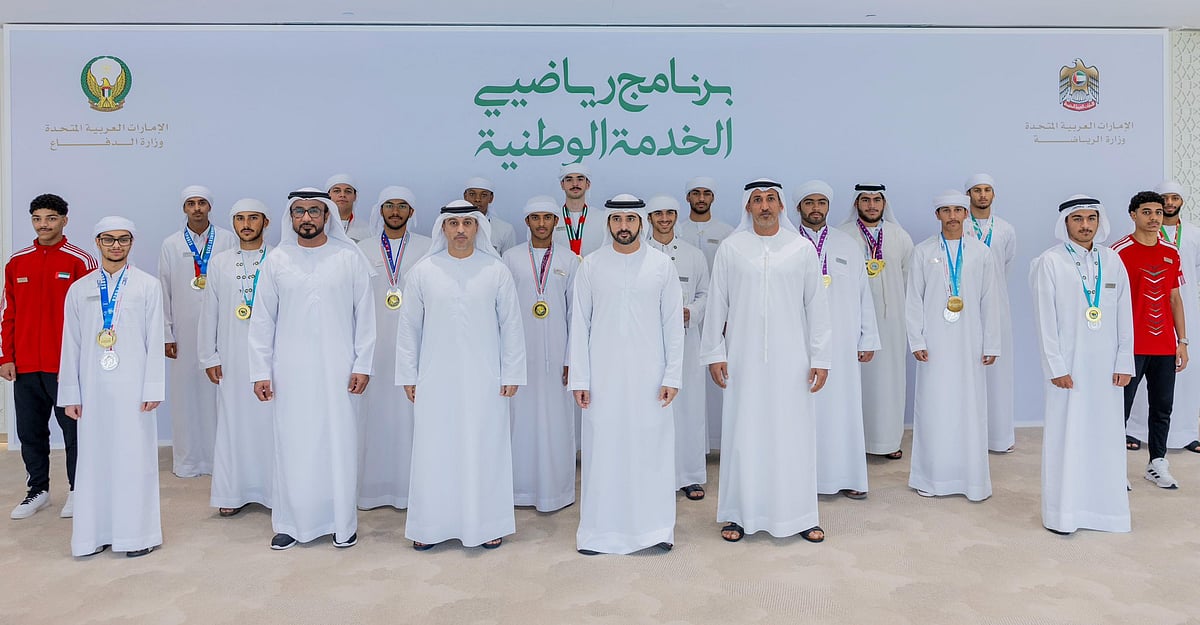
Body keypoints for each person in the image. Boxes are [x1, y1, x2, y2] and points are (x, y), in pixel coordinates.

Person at [701, 179, 832, 544]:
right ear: (747, 207)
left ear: (781, 206)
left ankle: (802, 515)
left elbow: (817, 309)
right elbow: (717, 304)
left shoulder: (801, 249)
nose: (764, 206)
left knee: (793, 436)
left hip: (793, 362)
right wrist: (715, 352)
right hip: (743, 361)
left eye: (771, 199)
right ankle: (738, 514)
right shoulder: (732, 249)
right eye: (757, 200)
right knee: (745, 435)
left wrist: (820, 356)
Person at [248, 188, 376, 550]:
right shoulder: (276, 260)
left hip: (339, 369)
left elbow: (364, 316)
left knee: (339, 443)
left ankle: (342, 523)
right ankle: (291, 522)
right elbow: (262, 321)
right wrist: (260, 371)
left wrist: (362, 364)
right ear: (291, 217)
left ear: (327, 216)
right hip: (289, 371)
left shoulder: (348, 257)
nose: (306, 218)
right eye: (300, 212)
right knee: (292, 444)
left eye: (314, 212)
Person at [397, 200, 526, 551]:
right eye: (453, 224)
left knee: (485, 447)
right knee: (433, 449)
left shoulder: (495, 270)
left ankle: (487, 525)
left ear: (477, 229)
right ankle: (429, 526)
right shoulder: (423, 271)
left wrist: (511, 372)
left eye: (467, 224)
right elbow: (408, 328)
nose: (460, 231)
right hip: (434, 379)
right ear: (442, 229)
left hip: (486, 380)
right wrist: (408, 375)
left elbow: (512, 326)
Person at [570, 194, 684, 555]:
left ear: (641, 223)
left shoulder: (661, 265)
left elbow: (673, 327)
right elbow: (579, 326)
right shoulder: (590, 265)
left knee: (651, 451)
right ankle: (598, 534)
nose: (624, 227)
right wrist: (581, 380)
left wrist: (673, 376)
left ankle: (655, 530)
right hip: (602, 381)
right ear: (609, 224)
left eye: (630, 220)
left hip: (650, 380)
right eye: (617, 220)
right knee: (603, 452)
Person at [59, 216, 165, 557]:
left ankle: (137, 536)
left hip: (134, 391)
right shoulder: (79, 289)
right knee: (94, 460)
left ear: (132, 243)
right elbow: (70, 346)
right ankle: (94, 534)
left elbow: (154, 341)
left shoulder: (148, 286)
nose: (115, 245)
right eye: (108, 239)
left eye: (122, 239)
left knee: (134, 459)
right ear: (97, 242)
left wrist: (152, 388)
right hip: (92, 392)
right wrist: (70, 394)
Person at [1030, 195, 1133, 534]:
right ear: (1065, 224)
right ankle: (1065, 515)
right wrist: (1055, 366)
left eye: (1091, 218)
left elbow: (1124, 316)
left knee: (1105, 437)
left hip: (1107, 370)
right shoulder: (1050, 262)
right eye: (1078, 219)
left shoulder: (1113, 260)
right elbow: (1045, 320)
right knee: (1067, 436)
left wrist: (1124, 360)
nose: (1086, 225)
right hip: (1069, 369)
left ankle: (1107, 513)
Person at [2, 194, 96, 519]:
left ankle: (77, 489)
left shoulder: (80, 261)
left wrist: (84, 362)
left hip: (65, 366)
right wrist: (6, 357)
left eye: (51, 218)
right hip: (26, 365)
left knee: (73, 432)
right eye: (38, 218)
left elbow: (93, 315)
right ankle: (38, 490)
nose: (44, 225)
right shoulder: (17, 262)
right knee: (30, 431)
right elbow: (8, 312)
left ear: (64, 220)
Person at [906, 191, 1001, 501]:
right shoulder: (922, 252)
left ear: (965, 213)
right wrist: (916, 339)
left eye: (958, 210)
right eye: (945, 210)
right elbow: (913, 301)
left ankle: (971, 480)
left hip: (971, 342)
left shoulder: (980, 253)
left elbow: (990, 300)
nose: (952, 216)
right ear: (937, 215)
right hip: (934, 343)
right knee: (934, 407)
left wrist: (991, 342)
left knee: (970, 407)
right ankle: (932, 478)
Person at [793, 181, 878, 500]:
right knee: (801, 409)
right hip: (798, 343)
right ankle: (801, 479)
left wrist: (867, 337)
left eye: (822, 202)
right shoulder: (788, 244)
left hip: (842, 343)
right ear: (798, 207)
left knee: (843, 408)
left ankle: (847, 475)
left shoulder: (847, 244)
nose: (816, 208)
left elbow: (863, 294)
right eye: (809, 202)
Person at [355, 186, 432, 511]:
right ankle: (373, 491)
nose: (396, 211)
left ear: (412, 213)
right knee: (374, 418)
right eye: (389, 205)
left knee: (413, 420)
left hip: (418, 346)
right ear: (380, 210)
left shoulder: (429, 248)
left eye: (402, 206)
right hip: (375, 348)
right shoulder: (362, 249)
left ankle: (412, 491)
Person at [197, 199, 275, 517]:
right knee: (233, 422)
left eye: (253, 218)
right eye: (240, 218)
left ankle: (274, 491)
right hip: (230, 354)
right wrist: (209, 355)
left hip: (271, 356)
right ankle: (233, 492)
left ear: (265, 223)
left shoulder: (280, 259)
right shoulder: (220, 263)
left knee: (271, 422)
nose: (246, 224)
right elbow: (209, 311)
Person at [501, 195, 580, 512]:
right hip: (520, 357)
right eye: (536, 218)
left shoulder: (570, 260)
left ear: (556, 222)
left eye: (548, 218)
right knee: (519, 422)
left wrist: (572, 358)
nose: (542, 223)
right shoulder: (510, 258)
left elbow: (577, 313)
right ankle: (520, 489)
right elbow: (502, 313)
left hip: (557, 357)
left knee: (557, 422)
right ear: (527, 222)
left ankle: (556, 491)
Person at [1112, 190, 1189, 489]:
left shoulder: (1172, 252)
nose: (1154, 217)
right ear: (1133, 215)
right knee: (1121, 409)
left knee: (1162, 407)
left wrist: (1182, 341)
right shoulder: (1118, 252)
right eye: (1147, 212)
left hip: (1164, 347)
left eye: (1158, 212)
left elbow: (1174, 298)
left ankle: (1157, 462)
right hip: (1129, 347)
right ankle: (1113, 466)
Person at [158, 185, 236, 478]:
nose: (197, 208)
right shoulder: (171, 244)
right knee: (185, 397)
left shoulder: (228, 239)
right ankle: (188, 460)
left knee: (219, 393)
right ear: (184, 208)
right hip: (184, 332)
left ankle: (220, 460)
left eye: (202, 202)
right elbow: (163, 289)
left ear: (209, 207)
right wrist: (167, 333)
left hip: (222, 329)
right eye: (191, 203)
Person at [837, 183, 914, 460]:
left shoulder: (899, 236)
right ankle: (854, 441)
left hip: (892, 321)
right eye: (866, 200)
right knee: (855, 383)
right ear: (857, 203)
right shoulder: (842, 236)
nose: (871, 205)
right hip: (851, 321)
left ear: (884, 204)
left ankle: (888, 441)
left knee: (890, 381)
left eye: (876, 200)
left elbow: (909, 281)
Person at [1126, 181, 1200, 453]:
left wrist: (1183, 337)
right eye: (1162, 200)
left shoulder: (1192, 235)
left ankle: (1183, 435)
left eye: (1174, 198)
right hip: (1140, 324)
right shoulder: (1128, 246)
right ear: (1136, 214)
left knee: (1180, 382)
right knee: (1133, 386)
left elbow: (1182, 287)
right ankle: (1132, 432)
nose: (1167, 205)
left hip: (1180, 316)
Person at [645, 194, 710, 501]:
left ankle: (689, 476)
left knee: (688, 409)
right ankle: (653, 474)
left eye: (670, 213)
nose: (665, 218)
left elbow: (706, 294)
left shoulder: (693, 254)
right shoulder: (640, 254)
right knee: (653, 407)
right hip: (648, 343)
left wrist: (692, 313)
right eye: (658, 214)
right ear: (649, 218)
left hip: (687, 341)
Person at [673, 176, 734, 450]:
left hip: (718, 317)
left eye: (705, 193)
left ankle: (718, 442)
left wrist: (725, 316)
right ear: (687, 198)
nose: (700, 198)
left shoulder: (727, 232)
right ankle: (694, 447)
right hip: (684, 320)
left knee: (718, 381)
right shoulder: (678, 230)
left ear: (713, 198)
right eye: (695, 193)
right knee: (690, 386)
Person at [963, 174, 1018, 453]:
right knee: (967, 368)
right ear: (968, 194)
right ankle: (969, 435)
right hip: (965, 305)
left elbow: (1004, 264)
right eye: (976, 190)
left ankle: (998, 436)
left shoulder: (1005, 229)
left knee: (998, 371)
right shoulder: (958, 225)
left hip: (998, 305)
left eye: (987, 190)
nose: (982, 195)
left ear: (994, 195)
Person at [554, 163, 606, 256]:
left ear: (588, 184)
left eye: (580, 179)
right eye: (569, 180)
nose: (575, 184)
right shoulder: (552, 218)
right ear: (562, 185)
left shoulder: (602, 218)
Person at [464, 176, 518, 254]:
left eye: (484, 195)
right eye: (472, 194)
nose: (477, 199)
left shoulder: (505, 229)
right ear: (465, 196)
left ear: (491, 198)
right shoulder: (452, 228)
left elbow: (508, 262)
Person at [326, 174, 371, 242]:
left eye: (348, 191)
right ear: (328, 195)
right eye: (337, 191)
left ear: (355, 196)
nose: (342, 195)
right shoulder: (318, 226)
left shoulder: (366, 230)